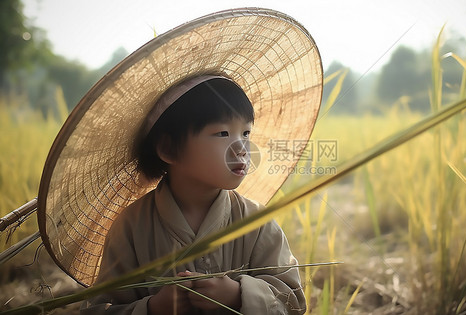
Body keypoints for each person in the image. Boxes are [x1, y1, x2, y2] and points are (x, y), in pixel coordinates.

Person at [36, 8, 323, 315]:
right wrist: (152, 307)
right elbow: (98, 309)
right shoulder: (131, 228)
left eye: (246, 132)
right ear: (169, 150)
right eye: (223, 133)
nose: (241, 147)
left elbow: (294, 302)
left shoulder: (256, 223)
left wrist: (238, 294)